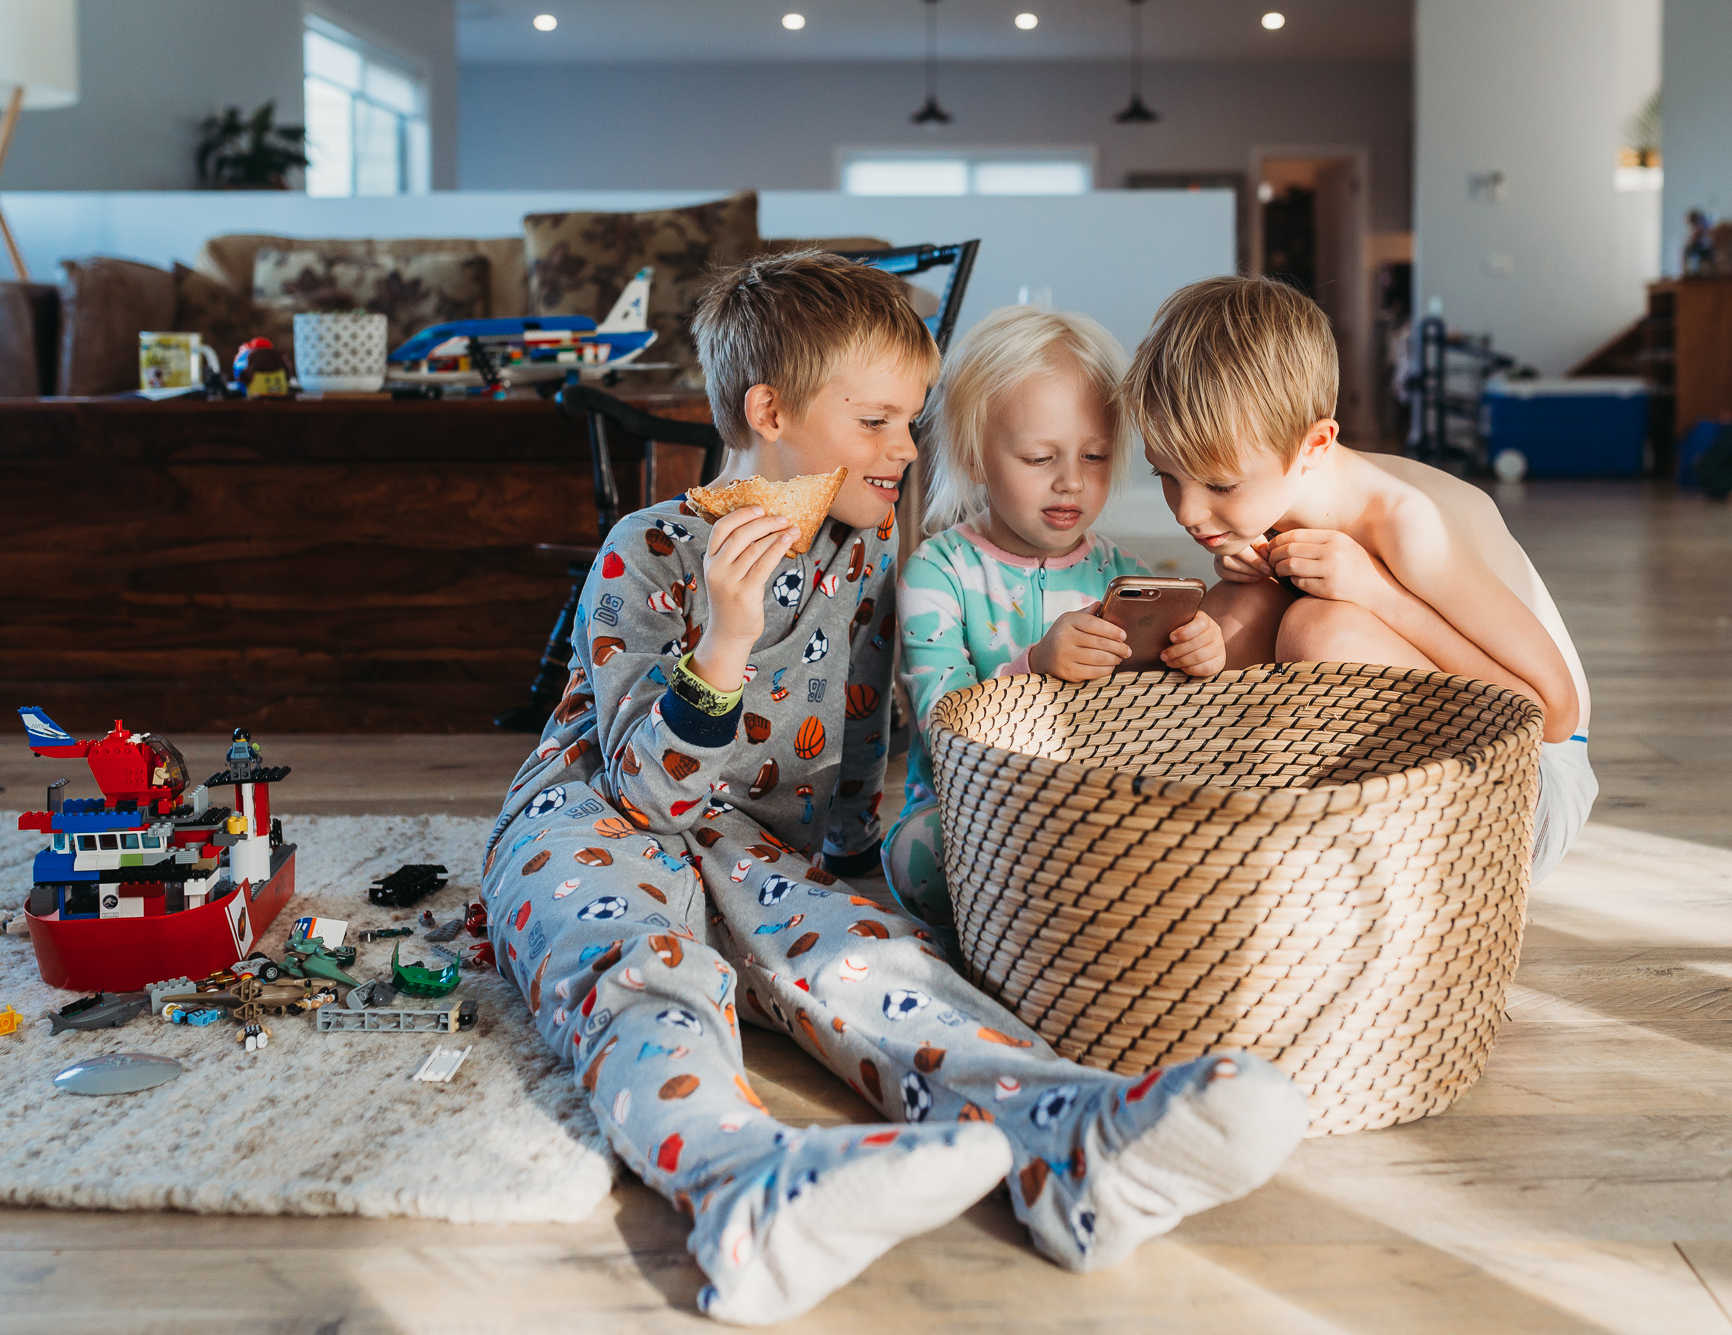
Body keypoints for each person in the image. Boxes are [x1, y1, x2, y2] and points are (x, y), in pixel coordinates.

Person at [481, 253, 1307, 1326]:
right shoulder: (646, 551)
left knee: (872, 963)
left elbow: (854, 754)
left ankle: (1074, 1146)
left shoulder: (862, 556)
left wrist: (853, 889)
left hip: (754, 846)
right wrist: (725, 641)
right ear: (767, 411)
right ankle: (742, 1191)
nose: (906, 451)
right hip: (591, 818)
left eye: (910, 421)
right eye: (876, 422)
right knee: (645, 966)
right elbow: (649, 796)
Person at [1124, 275, 1596, 884]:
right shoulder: (1284, 495)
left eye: (1219, 486)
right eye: (1165, 475)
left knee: (1322, 631)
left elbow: (1550, 713)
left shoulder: (1408, 526)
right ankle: (1205, 818)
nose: (1187, 512)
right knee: (1235, 613)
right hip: (1444, 759)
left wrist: (1376, 593)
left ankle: (1314, 860)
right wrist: (1252, 558)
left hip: (1523, 798)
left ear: (1315, 444)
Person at [888, 306, 1226, 947]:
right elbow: (940, 729)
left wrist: (1200, 654)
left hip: (1096, 806)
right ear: (975, 457)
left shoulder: (1124, 575)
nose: (1071, 480)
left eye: (1096, 457)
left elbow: (1163, 724)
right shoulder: (939, 573)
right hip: (973, 812)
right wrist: (1034, 667)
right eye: (1040, 457)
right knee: (918, 859)